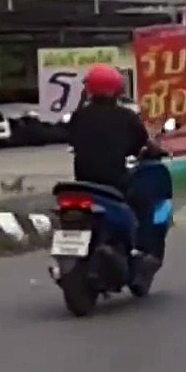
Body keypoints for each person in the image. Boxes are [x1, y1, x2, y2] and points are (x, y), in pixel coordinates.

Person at [66, 63, 167, 254]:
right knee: (145, 203)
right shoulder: (126, 116)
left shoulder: (79, 116)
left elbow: (72, 139)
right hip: (115, 183)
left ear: (89, 89)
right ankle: (139, 248)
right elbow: (141, 143)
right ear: (117, 89)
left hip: (83, 183)